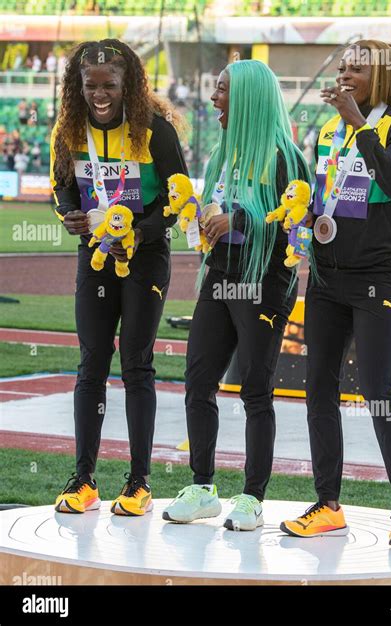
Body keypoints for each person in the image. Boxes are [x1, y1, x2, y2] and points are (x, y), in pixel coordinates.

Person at [280, 40, 391, 545]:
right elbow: (326, 197)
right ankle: (327, 504)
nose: (344, 74)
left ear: (380, 77)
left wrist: (360, 125)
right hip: (325, 278)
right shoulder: (327, 130)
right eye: (342, 66)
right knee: (318, 387)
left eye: (355, 69)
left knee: (378, 390)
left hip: (376, 279)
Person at [163, 60, 310, 531]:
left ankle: (252, 497)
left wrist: (239, 220)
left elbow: (293, 221)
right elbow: (225, 206)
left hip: (263, 286)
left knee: (255, 391)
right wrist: (206, 219)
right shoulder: (223, 152)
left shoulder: (284, 156)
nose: (214, 99)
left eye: (222, 91)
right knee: (198, 381)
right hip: (220, 278)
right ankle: (203, 487)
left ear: (247, 98)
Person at [51, 39, 188, 516]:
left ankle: (139, 481)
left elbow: (178, 200)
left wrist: (141, 228)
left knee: (136, 363)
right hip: (94, 257)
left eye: (110, 84)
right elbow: (63, 187)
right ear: (78, 86)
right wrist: (70, 214)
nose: (100, 94)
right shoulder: (68, 129)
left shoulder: (155, 131)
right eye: (90, 85)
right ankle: (84, 478)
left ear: (128, 83)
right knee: (91, 363)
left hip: (145, 258)